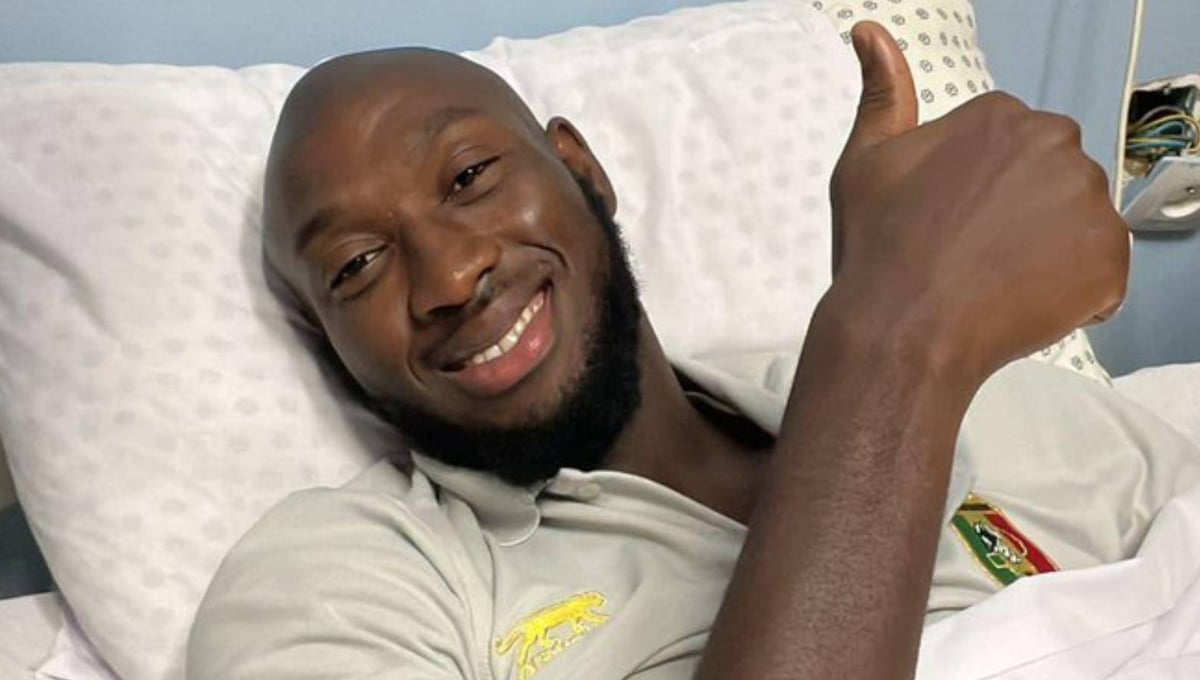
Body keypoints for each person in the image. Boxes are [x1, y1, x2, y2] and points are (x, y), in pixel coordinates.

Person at [186, 21, 1199, 680]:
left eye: (469, 178)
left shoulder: (1001, 406)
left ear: (581, 170)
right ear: (328, 342)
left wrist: (908, 347)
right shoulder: (339, 581)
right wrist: (893, 344)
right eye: (357, 265)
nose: (449, 276)